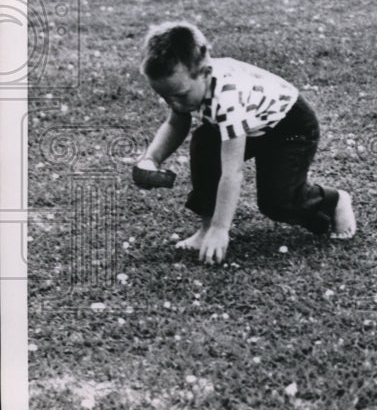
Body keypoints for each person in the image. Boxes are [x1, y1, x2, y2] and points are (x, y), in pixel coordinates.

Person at [135, 21, 356, 264]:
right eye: (165, 96)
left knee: (277, 202)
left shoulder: (229, 98)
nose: (174, 103)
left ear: (205, 73)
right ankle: (205, 229)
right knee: (205, 144)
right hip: (252, 125)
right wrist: (151, 158)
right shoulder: (183, 85)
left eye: (179, 95)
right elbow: (176, 123)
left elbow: (232, 173)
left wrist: (223, 228)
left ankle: (333, 201)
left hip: (289, 127)